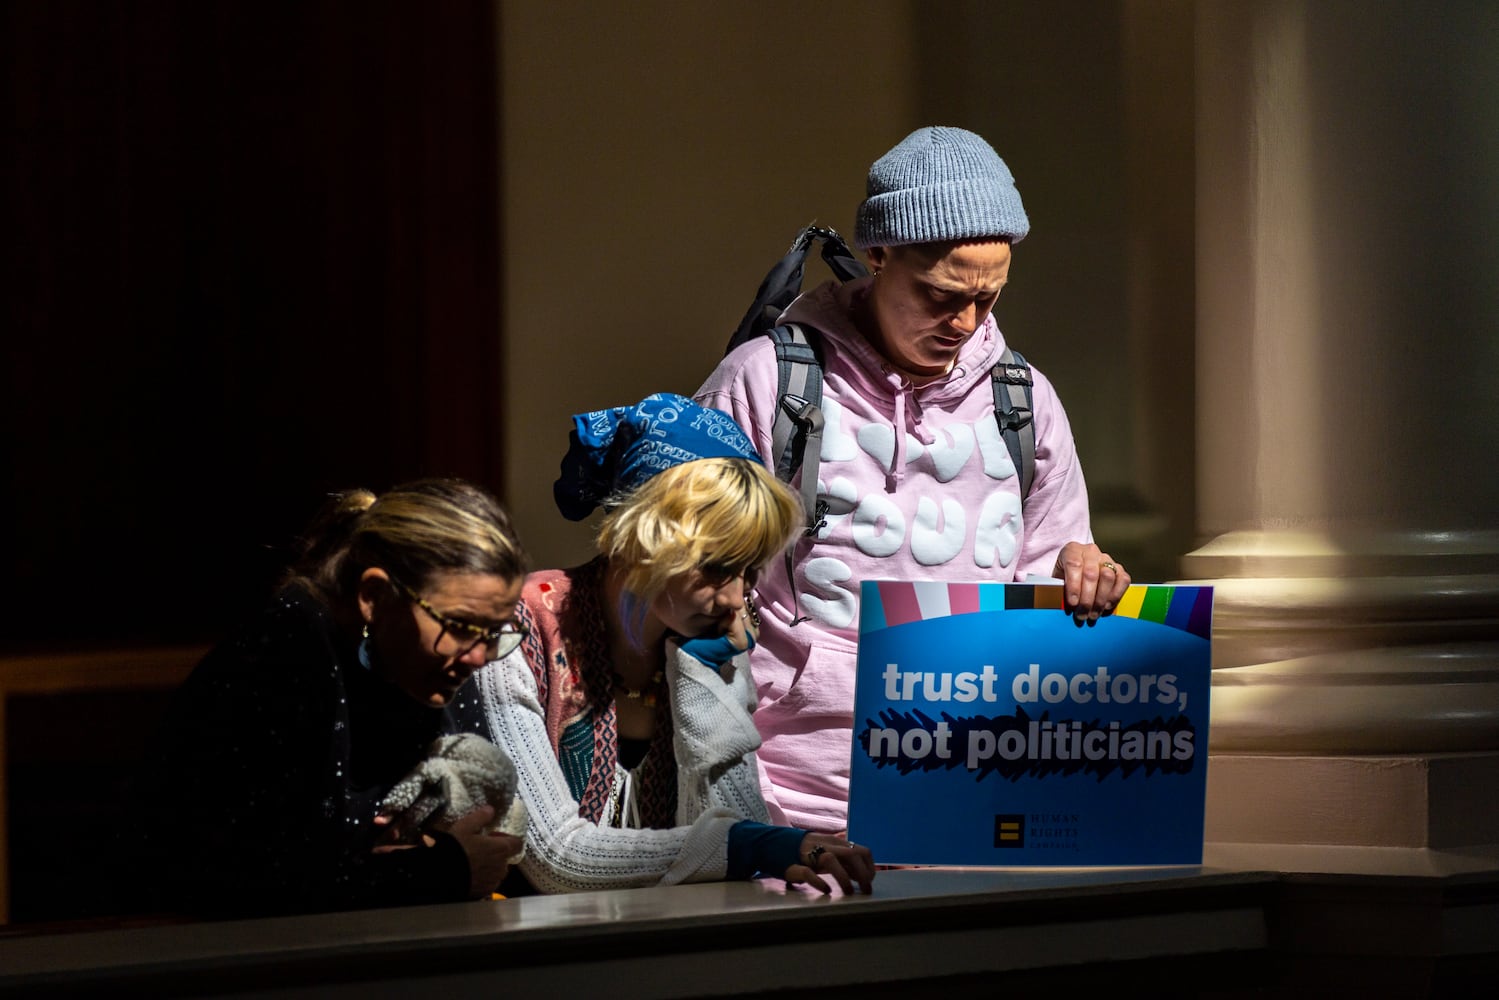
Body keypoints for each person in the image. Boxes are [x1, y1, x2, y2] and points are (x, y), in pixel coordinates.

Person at [695, 126, 1132, 833]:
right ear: (875, 257)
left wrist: (1079, 572)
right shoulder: (766, 382)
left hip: (971, 790)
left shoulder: (1023, 400)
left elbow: (1045, 578)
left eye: (986, 299)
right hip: (788, 801)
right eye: (937, 295)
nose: (963, 322)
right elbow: (683, 591)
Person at [454, 392, 875, 895]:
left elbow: (731, 828)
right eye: (717, 569)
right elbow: (551, 856)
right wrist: (754, 846)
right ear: (644, 539)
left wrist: (707, 688)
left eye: (748, 571)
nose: (736, 597)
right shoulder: (518, 627)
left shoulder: (708, 636)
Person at [127, 479, 530, 917]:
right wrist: (444, 868)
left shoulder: (444, 664)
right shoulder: (281, 660)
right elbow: (237, 881)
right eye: (458, 626)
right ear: (373, 596)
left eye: (493, 634)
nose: (479, 657)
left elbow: (476, 818)